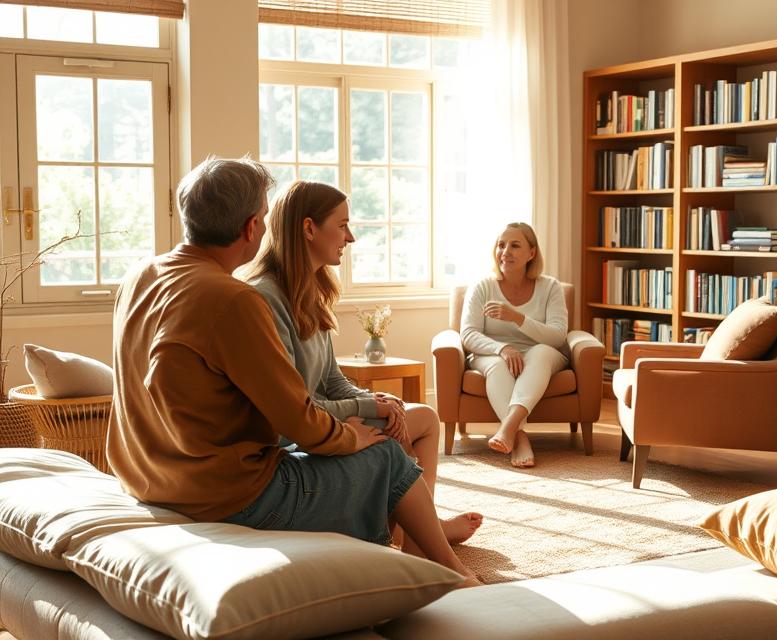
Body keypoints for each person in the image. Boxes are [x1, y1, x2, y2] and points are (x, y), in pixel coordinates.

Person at [106, 157, 478, 587]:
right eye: (263, 217)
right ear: (250, 227)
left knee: (388, 438)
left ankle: (419, 543)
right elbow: (296, 419)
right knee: (386, 457)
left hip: (147, 479)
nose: (266, 228)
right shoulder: (234, 299)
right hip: (225, 495)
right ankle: (454, 577)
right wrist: (351, 436)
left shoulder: (139, 276)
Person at [245, 180, 482, 547]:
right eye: (342, 225)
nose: (351, 237)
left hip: (324, 416)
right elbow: (295, 409)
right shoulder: (266, 299)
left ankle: (418, 532)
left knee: (422, 418)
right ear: (309, 228)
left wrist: (379, 401)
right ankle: (420, 536)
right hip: (301, 434)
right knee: (396, 431)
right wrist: (369, 407)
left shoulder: (312, 291)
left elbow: (332, 379)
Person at [460, 222, 569, 468]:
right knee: (499, 365)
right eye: (501, 245)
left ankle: (508, 427)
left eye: (515, 245)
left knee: (541, 352)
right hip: (491, 354)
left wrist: (517, 318)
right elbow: (468, 334)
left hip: (540, 352)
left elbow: (557, 336)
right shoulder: (482, 287)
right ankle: (519, 438)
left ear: (532, 253)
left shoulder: (550, 287)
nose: (505, 251)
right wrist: (501, 349)